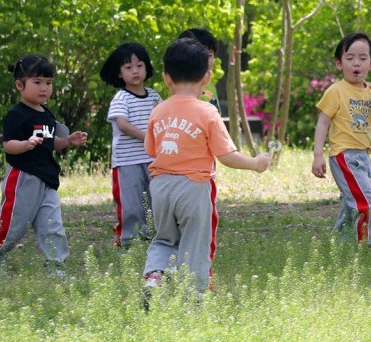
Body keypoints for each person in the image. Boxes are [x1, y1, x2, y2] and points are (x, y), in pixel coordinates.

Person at [142, 38, 270, 294]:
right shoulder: (207, 112)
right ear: (206, 77)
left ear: (167, 78)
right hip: (193, 187)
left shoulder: (158, 111)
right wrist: (255, 163)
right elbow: (226, 156)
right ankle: (194, 298)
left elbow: (151, 149)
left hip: (160, 187)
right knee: (195, 243)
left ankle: (154, 277)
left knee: (164, 238)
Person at [0, 55, 88, 277]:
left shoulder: (47, 115)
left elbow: (51, 143)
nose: (44, 88)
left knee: (53, 225)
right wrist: (26, 144)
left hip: (47, 180)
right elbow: (9, 146)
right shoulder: (16, 115)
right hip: (23, 179)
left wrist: (68, 142)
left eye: (48, 83)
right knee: (13, 226)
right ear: (20, 85)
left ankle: (55, 265)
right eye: (37, 82)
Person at [311, 33, 371, 246]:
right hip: (344, 156)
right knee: (368, 201)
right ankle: (364, 245)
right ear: (339, 63)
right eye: (350, 58)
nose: (356, 63)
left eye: (363, 58)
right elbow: (322, 123)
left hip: (364, 156)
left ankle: (338, 245)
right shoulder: (336, 90)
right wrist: (318, 155)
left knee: (352, 204)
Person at [100, 42, 162, 248]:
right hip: (127, 162)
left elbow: (162, 121)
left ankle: (150, 238)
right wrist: (147, 137)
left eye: (139, 65)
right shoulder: (121, 98)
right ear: (119, 73)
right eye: (128, 67)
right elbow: (123, 124)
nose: (135, 71)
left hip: (154, 160)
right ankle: (127, 242)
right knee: (131, 205)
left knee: (157, 202)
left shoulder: (154, 96)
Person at [177, 28, 221, 113]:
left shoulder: (210, 86)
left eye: (209, 55)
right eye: (199, 55)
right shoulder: (180, 85)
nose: (204, 60)